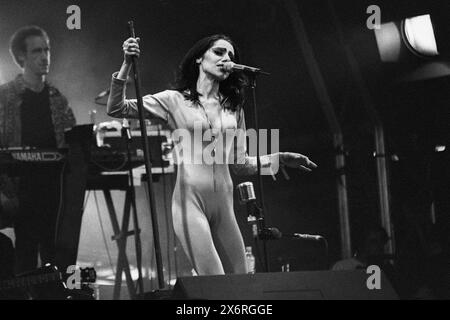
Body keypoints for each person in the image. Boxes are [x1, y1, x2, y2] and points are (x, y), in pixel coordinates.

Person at [107, 34, 317, 275]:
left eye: (231, 56)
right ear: (199, 58)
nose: (226, 59)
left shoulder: (233, 107)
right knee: (215, 282)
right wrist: (126, 63)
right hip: (190, 203)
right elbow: (116, 107)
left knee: (243, 280)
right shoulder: (174, 100)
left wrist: (279, 158)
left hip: (224, 206)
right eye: (219, 52)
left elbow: (240, 164)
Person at [0, 26, 76, 274]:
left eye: (47, 50)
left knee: (57, 265)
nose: (45, 57)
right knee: (24, 263)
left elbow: (71, 143)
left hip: (55, 194)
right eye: (36, 51)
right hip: (20, 193)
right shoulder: (5, 97)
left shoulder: (57, 98)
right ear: (21, 57)